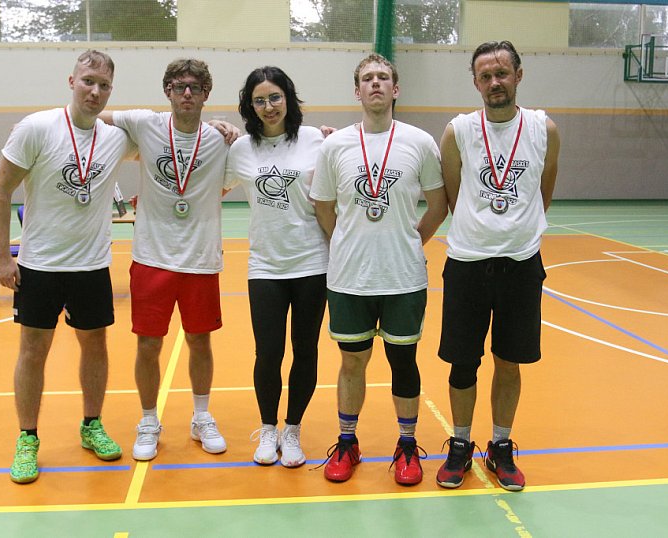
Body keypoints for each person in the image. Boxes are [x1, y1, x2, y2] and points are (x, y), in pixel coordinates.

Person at [0, 50, 137, 484]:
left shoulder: (116, 138)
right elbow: (0, 193)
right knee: (33, 352)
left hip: (91, 265)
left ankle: (91, 424)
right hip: (40, 265)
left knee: (95, 345)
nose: (95, 91)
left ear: (112, 91)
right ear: (71, 80)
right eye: (88, 81)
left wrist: (219, 127)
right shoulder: (36, 128)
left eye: (104, 85)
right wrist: (1, 256)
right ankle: (28, 438)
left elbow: (169, 136)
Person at [309, 53, 448, 485]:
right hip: (349, 276)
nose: (375, 84)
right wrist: (349, 243)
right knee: (353, 362)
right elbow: (324, 207)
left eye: (383, 77)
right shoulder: (335, 147)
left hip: (403, 276)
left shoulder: (420, 143)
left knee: (403, 360)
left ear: (395, 89)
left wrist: (408, 242)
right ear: (357, 91)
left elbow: (438, 206)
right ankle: (347, 443)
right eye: (367, 78)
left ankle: (407, 447)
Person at [434, 40, 560, 492]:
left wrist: (517, 230)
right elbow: (451, 194)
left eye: (502, 73)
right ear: (475, 82)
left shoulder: (544, 128)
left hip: (521, 265)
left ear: (519, 75)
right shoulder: (459, 131)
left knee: (510, 362)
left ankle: (501, 446)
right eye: (485, 75)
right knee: (463, 362)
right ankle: (461, 445)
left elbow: (543, 193)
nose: (494, 82)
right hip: (467, 262)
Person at [99, 58, 236, 461]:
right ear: (168, 92)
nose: (187, 93)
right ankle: (147, 421)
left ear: (206, 93)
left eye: (194, 86)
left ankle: (201, 416)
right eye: (179, 86)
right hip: (152, 258)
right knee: (147, 345)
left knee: (200, 341)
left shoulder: (220, 140)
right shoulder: (146, 124)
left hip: (199, 259)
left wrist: (227, 125)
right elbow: (94, 114)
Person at [224, 67, 329, 467]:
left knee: (305, 350)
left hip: (311, 262)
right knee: (268, 352)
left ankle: (293, 430)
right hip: (265, 265)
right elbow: (210, 187)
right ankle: (268, 429)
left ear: (288, 98)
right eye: (259, 100)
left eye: (275, 97)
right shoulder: (240, 150)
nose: (268, 107)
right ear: (249, 106)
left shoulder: (314, 140)